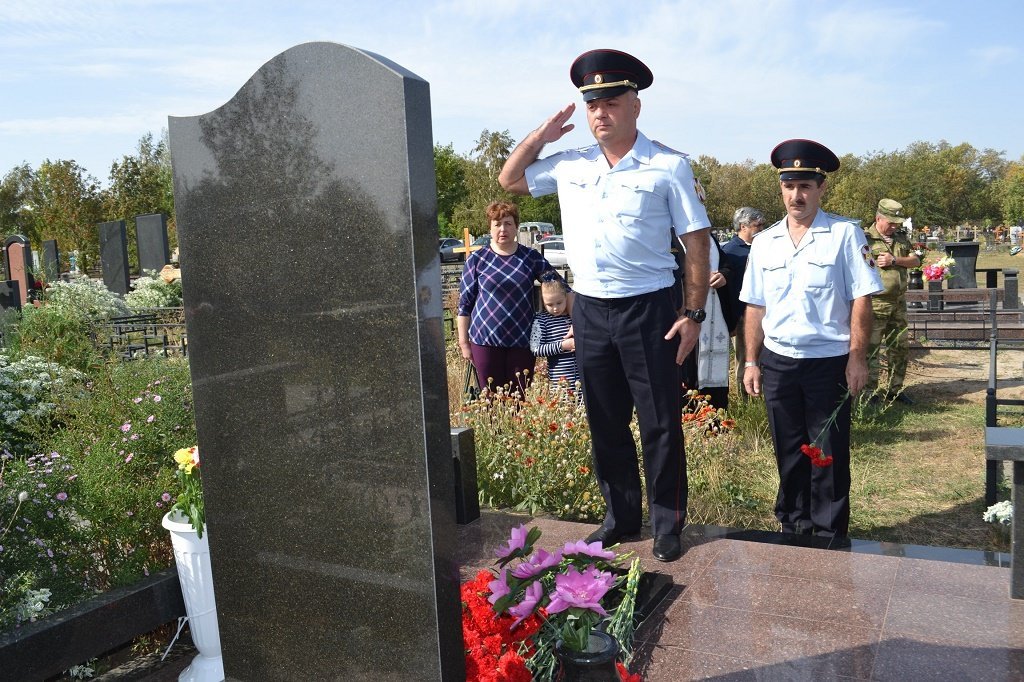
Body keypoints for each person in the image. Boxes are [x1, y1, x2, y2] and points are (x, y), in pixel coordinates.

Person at [498, 49, 712, 562]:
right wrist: (540, 137)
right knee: (605, 420)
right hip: (590, 309)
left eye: (611, 102)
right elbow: (510, 180)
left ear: (635, 105)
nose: (600, 113)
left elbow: (697, 243)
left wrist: (694, 314)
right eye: (592, 105)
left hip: (650, 308)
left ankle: (667, 524)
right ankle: (620, 517)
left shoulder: (667, 166)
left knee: (660, 420)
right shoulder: (570, 166)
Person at [740, 139, 882, 538]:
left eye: (805, 186)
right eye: (789, 186)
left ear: (821, 188)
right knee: (788, 449)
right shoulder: (765, 242)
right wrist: (751, 360)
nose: (796, 195)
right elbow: (754, 306)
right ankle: (793, 525)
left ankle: (828, 532)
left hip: (828, 362)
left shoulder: (845, 235)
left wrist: (857, 357)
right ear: (781, 188)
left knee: (828, 454)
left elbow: (861, 299)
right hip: (779, 361)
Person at [457, 201, 559, 397]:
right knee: (490, 400)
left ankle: (515, 430)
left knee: (518, 399)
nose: (503, 229)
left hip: (521, 340)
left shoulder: (530, 257)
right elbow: (465, 304)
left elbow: (558, 286)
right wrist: (464, 343)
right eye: (497, 224)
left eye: (508, 223)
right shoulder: (477, 260)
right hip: (484, 340)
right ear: (490, 227)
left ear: (516, 227)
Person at [864, 198, 918, 404]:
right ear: (879, 218)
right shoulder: (865, 239)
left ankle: (895, 390)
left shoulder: (900, 238)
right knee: (872, 350)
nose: (894, 226)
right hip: (875, 303)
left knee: (899, 348)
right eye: (891, 222)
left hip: (898, 303)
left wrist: (895, 260)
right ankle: (869, 393)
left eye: (897, 223)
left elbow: (915, 260)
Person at [678, 236, 736, 410]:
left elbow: (726, 265)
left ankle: (715, 422)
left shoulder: (708, 238)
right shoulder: (668, 235)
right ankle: (689, 421)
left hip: (713, 315)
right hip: (683, 316)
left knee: (713, 373)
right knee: (687, 370)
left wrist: (723, 275)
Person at [721, 207, 766, 395]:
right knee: (746, 359)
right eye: (758, 225)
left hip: (765, 314)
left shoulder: (764, 246)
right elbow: (728, 290)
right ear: (743, 226)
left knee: (765, 359)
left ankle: (763, 396)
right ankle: (746, 400)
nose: (762, 228)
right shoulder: (730, 252)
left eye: (763, 224)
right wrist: (731, 319)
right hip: (742, 317)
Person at [529, 275, 580, 394]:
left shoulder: (574, 316)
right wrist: (563, 346)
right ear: (543, 301)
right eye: (550, 305)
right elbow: (536, 349)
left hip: (582, 379)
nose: (556, 308)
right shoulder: (541, 320)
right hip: (559, 380)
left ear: (566, 298)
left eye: (559, 303)